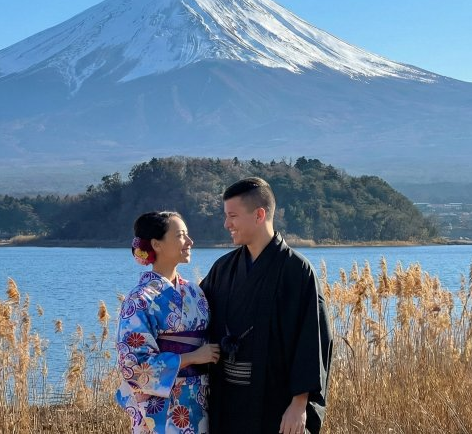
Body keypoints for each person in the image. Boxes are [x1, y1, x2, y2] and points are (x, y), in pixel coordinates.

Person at [200, 178, 333, 434]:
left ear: (259, 215)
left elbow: (312, 339)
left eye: (233, 216)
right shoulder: (223, 268)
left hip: (276, 401)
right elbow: (194, 313)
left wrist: (299, 403)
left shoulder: (297, 270)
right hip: (226, 400)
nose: (227, 224)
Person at [116, 211, 221, 434]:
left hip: (199, 397)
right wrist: (192, 357)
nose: (190, 241)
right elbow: (133, 365)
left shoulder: (194, 292)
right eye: (181, 235)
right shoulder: (139, 299)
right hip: (160, 407)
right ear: (157, 244)